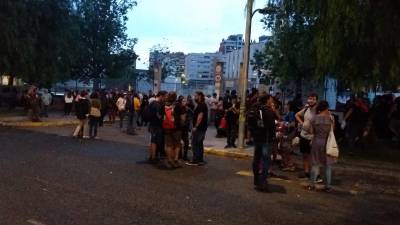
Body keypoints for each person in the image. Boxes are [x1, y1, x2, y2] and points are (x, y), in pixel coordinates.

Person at [248, 93, 276, 192]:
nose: (272, 101)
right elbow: (272, 126)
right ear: (267, 100)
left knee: (256, 158)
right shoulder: (268, 111)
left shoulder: (255, 109)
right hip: (266, 139)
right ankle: (263, 181)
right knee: (265, 160)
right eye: (271, 99)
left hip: (257, 138)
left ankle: (256, 179)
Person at [307, 100, 337, 192]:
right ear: (327, 107)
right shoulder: (331, 118)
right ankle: (328, 186)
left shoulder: (314, 118)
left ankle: (312, 185)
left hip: (316, 142)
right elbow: (333, 131)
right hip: (327, 142)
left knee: (315, 164)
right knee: (328, 165)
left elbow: (311, 131)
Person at [295, 93, 318, 179]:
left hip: (313, 137)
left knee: (312, 156)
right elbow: (297, 115)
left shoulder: (318, 110)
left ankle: (314, 173)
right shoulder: (306, 109)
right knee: (305, 154)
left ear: (316, 100)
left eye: (313, 99)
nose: (311, 100)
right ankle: (306, 172)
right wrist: (302, 123)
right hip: (303, 135)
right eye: (310, 98)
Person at [162, 92, 184, 169]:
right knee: (177, 144)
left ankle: (169, 161)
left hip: (166, 128)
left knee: (168, 145)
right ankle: (175, 159)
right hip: (177, 128)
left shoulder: (164, 105)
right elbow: (183, 118)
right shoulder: (178, 105)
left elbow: (161, 116)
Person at [186, 91, 208, 166]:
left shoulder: (201, 105)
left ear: (199, 96)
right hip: (202, 127)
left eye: (195, 96)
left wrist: (195, 126)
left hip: (199, 128)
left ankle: (196, 160)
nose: (194, 97)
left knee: (195, 143)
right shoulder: (201, 105)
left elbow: (200, 116)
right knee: (199, 144)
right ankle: (200, 160)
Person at [147, 91, 167, 163]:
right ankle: (153, 158)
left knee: (152, 141)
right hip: (156, 125)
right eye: (165, 96)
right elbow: (158, 115)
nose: (165, 98)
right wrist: (162, 119)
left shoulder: (152, 103)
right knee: (154, 141)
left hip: (152, 124)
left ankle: (151, 156)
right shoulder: (157, 104)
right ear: (161, 96)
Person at [178, 96, 190, 161]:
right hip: (180, 128)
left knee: (186, 142)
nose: (185, 102)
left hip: (185, 128)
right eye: (183, 101)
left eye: (185, 101)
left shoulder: (187, 108)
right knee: (179, 142)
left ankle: (185, 155)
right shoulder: (179, 108)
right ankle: (180, 155)